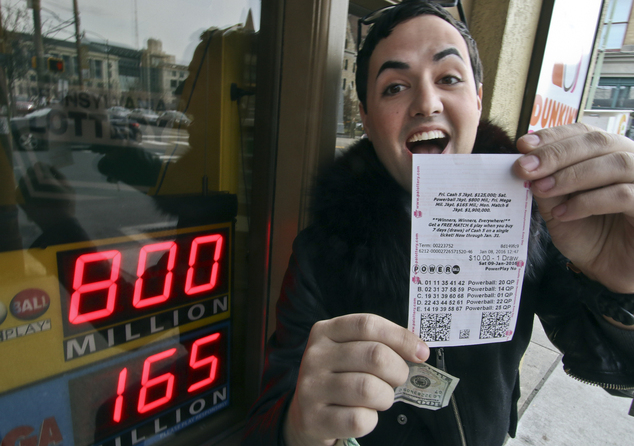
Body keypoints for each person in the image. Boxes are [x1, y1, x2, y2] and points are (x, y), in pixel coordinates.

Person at [243, 2, 634, 445]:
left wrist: (624, 290)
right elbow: (265, 419)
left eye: (448, 78)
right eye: (394, 87)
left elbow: (615, 371)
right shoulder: (322, 252)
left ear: (479, 99)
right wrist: (297, 425)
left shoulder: (536, 220)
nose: (426, 103)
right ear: (367, 119)